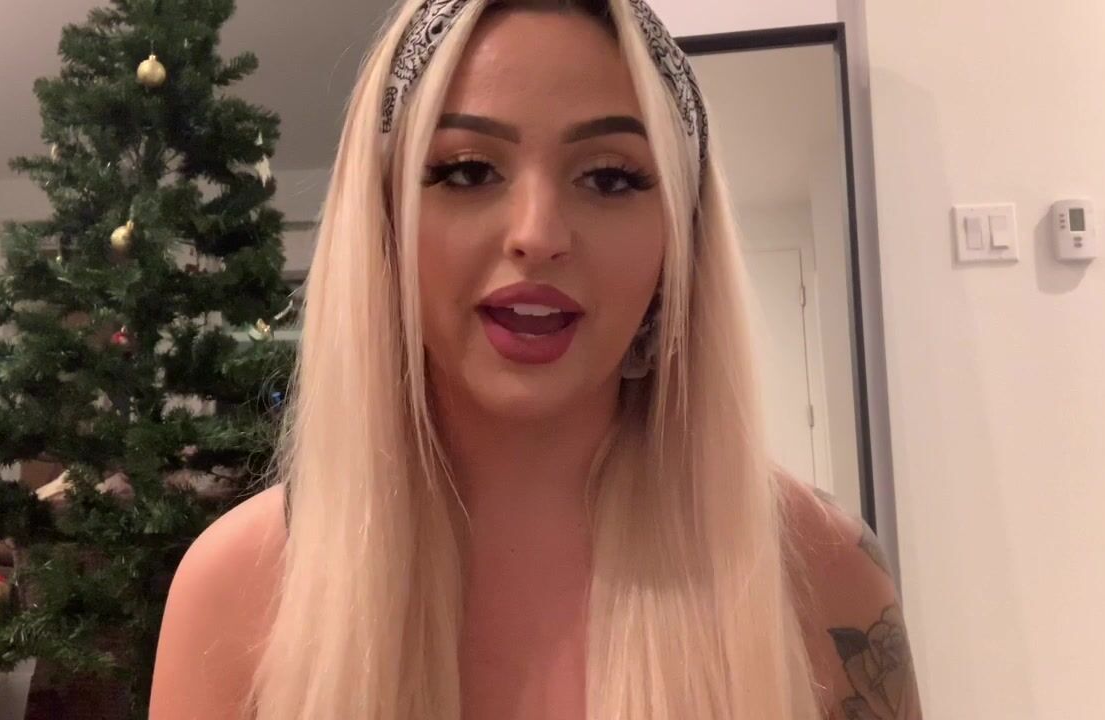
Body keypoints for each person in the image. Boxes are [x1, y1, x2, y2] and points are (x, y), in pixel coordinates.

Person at [149, 0, 922, 718]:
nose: (537, 234)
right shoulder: (237, 590)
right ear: (382, 218)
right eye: (466, 170)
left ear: (679, 236)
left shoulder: (825, 573)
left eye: (609, 177)